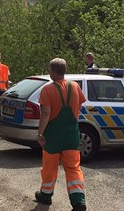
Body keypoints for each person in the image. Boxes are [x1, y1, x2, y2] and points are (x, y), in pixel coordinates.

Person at [35, 58, 87, 211]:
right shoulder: (75, 86)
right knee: (73, 168)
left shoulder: (47, 89)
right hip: (71, 134)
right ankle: (78, 202)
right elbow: (79, 107)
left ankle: (45, 195)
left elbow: (45, 114)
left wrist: (40, 134)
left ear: (52, 72)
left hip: (53, 135)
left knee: (49, 167)